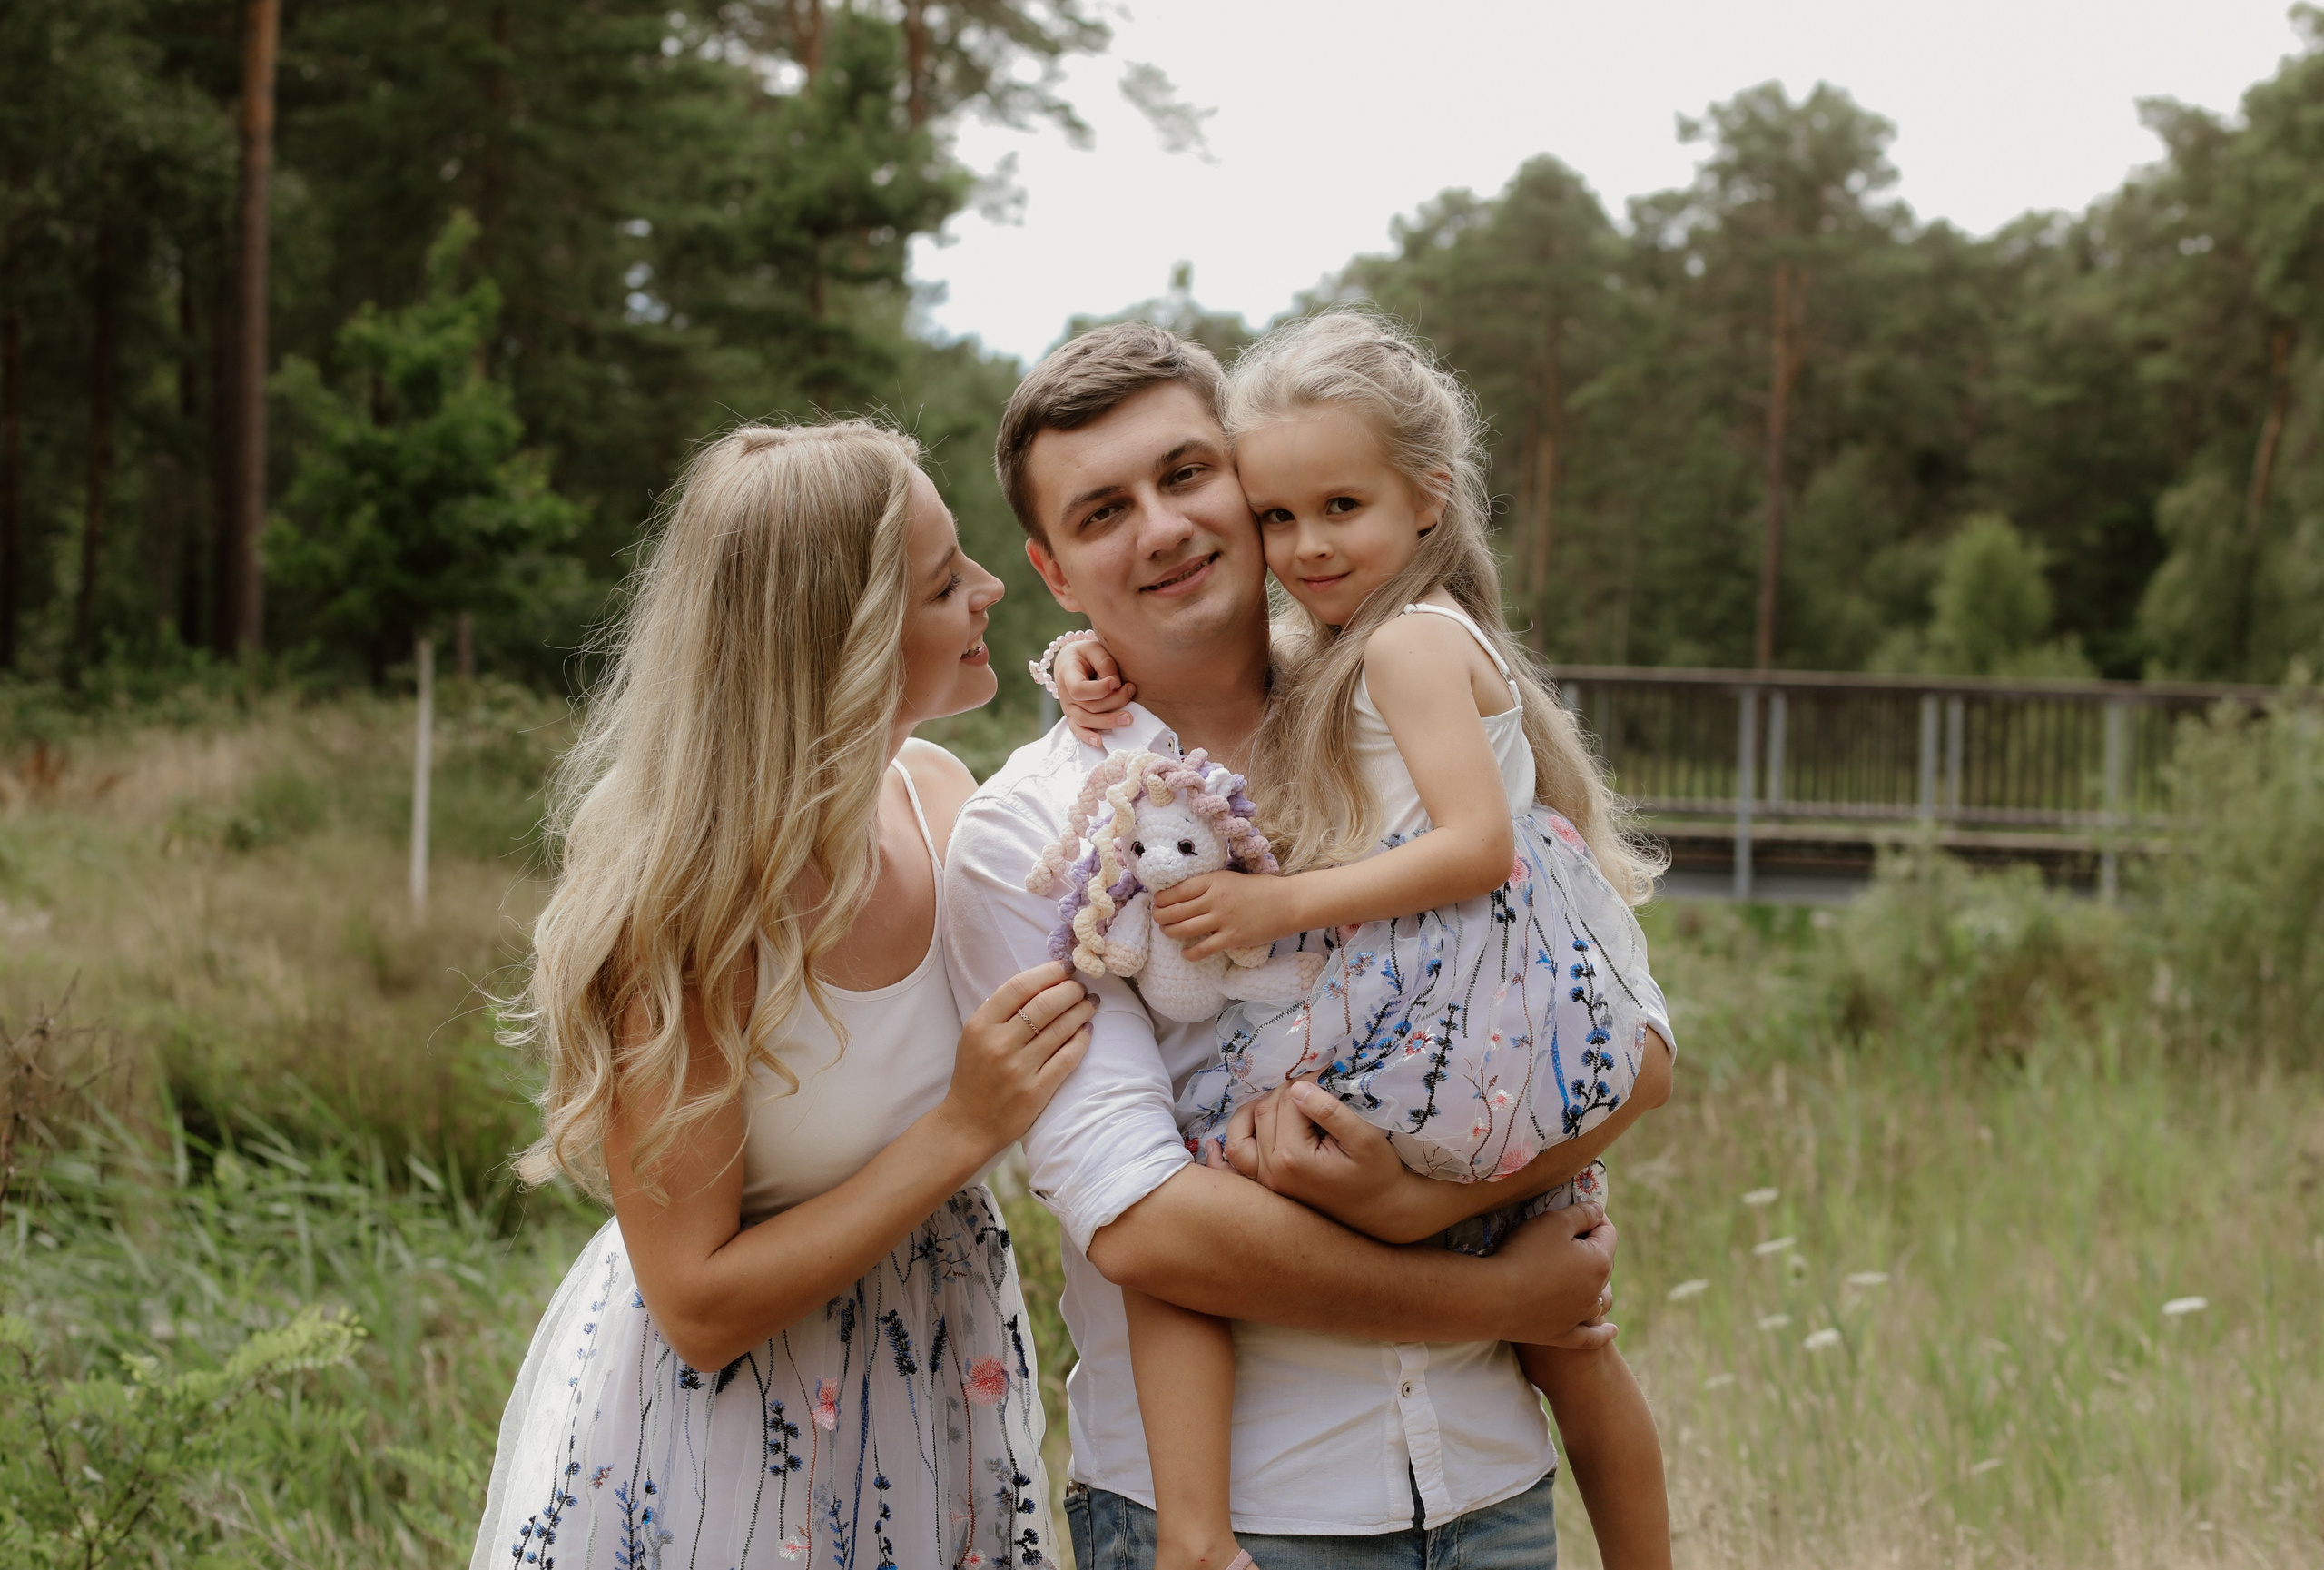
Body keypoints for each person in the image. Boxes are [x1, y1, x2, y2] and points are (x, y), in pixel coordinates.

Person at [943, 322, 1674, 1570]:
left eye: (1186, 475)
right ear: (1054, 569)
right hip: (1252, 1523)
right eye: (1105, 510)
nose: (1165, 527)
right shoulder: (1035, 834)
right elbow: (1145, 1225)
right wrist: (1498, 1291)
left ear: (1245, 479)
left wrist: (1428, 1198)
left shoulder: (1386, 702)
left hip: (1490, 1486)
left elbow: (1638, 1055)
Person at [472, 420, 1092, 1570]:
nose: (992, 589)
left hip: (933, 1379)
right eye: (946, 580)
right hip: (729, 1452)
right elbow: (696, 1307)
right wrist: (964, 1127)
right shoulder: (693, 918)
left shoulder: (940, 798)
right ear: (841, 640)